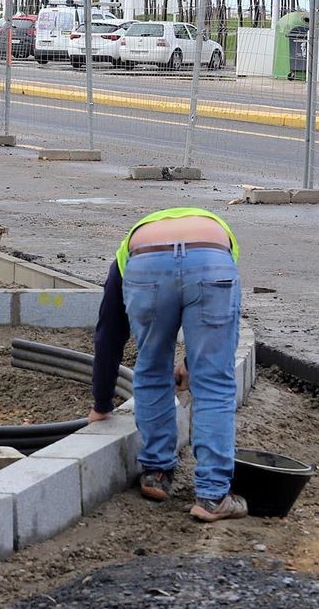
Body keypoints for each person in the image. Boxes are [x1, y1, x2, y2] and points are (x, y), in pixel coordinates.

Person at [89, 207, 246, 523]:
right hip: (210, 258)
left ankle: (156, 473)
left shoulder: (126, 252)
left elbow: (109, 332)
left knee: (151, 366)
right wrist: (193, 364)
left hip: (148, 261)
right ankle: (213, 495)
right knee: (214, 381)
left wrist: (101, 403)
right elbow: (222, 339)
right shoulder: (218, 233)